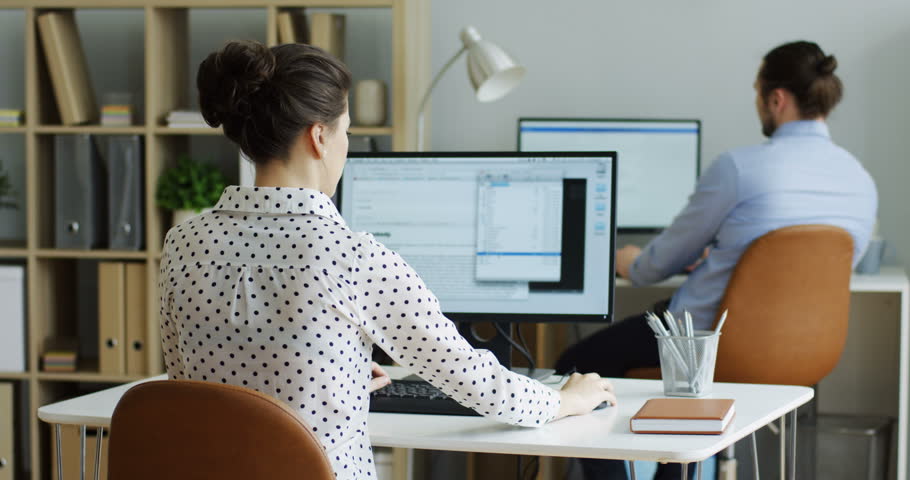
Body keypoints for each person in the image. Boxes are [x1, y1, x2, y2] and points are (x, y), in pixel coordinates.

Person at [157, 40, 616, 480]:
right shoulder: (352, 258)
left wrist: (335, 382)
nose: (346, 145)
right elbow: (475, 381)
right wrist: (566, 400)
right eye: (347, 131)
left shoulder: (183, 242)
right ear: (319, 136)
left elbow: (195, 386)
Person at [556, 40, 878, 480]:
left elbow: (656, 265)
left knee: (576, 365)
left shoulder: (739, 168)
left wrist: (628, 259)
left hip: (702, 347)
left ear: (777, 99)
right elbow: (825, 263)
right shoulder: (860, 180)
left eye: (756, 92)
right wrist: (731, 258)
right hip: (804, 353)